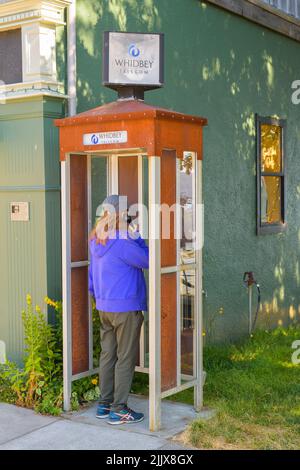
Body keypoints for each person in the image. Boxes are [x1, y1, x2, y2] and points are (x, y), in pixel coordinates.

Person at [88, 195, 149, 425]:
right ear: (122, 214)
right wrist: (137, 235)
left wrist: (98, 298)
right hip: (125, 308)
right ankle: (119, 409)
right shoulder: (124, 242)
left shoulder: (97, 239)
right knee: (125, 358)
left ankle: (104, 404)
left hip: (104, 306)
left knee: (108, 355)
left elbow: (92, 276)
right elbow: (149, 259)